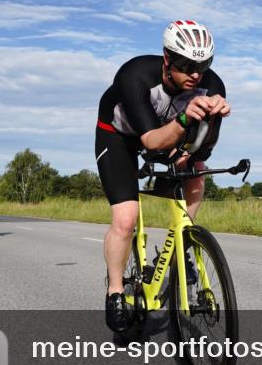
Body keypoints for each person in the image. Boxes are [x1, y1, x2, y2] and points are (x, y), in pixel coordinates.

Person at [96, 20, 230, 332]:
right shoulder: (134, 75)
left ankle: (184, 243)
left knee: (195, 171)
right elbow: (151, 142)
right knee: (126, 219)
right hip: (119, 137)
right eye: (185, 65)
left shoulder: (212, 85)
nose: (195, 74)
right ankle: (115, 290)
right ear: (167, 59)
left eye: (203, 65)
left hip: (169, 135)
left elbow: (202, 150)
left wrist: (212, 118)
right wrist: (185, 116)